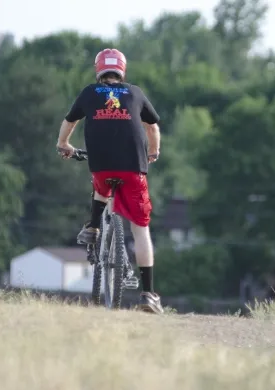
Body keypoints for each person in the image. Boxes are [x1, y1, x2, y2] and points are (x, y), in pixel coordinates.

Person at [55, 48, 163, 314]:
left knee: (101, 186)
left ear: (99, 70)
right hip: (133, 167)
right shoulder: (134, 92)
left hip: (101, 166)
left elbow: (69, 122)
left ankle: (93, 226)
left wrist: (63, 144)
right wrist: (153, 151)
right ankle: (148, 294)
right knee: (141, 230)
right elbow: (152, 127)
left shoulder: (89, 93)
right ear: (122, 70)